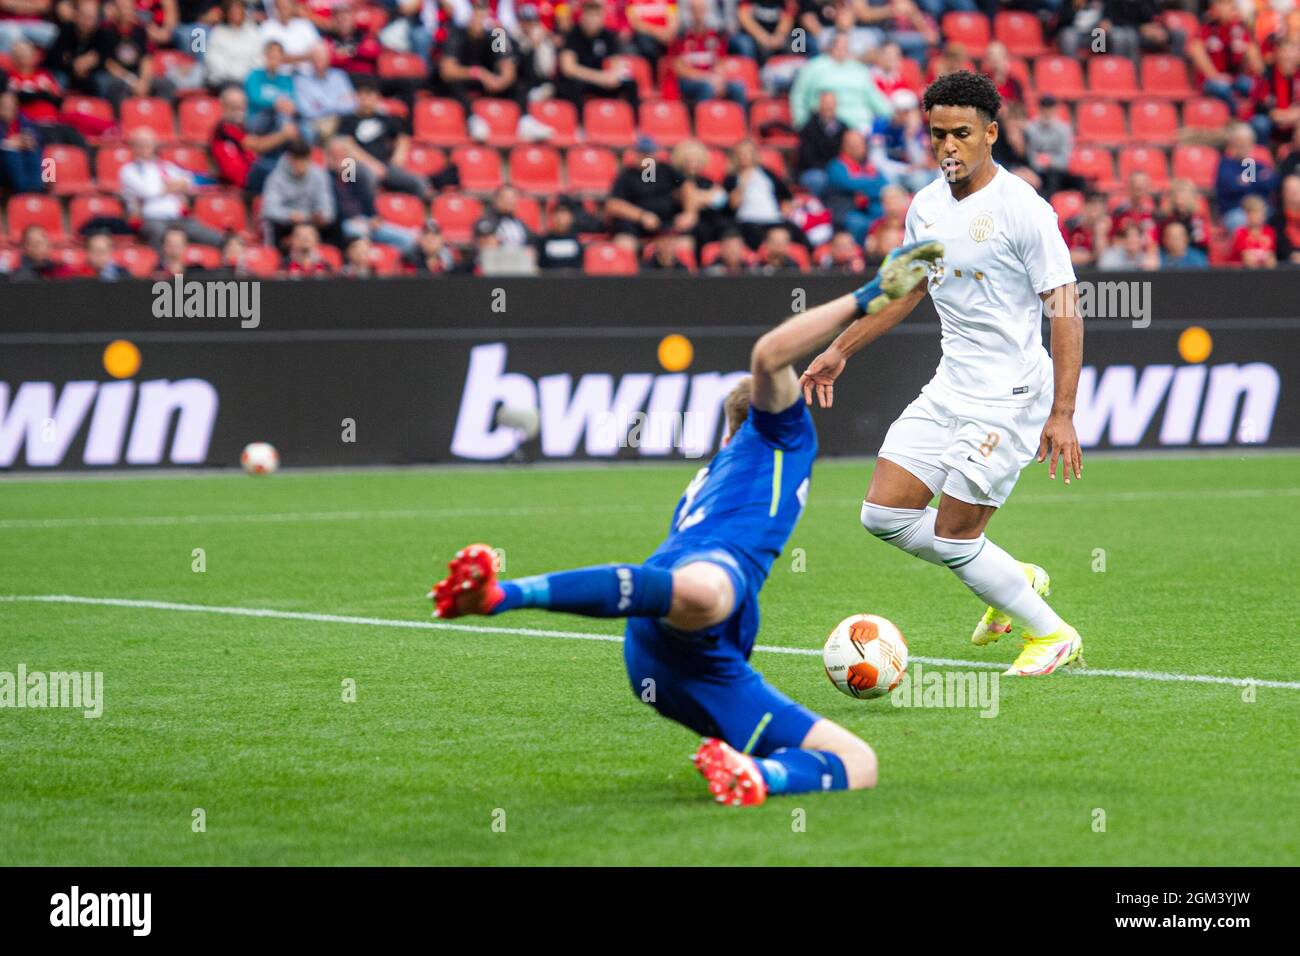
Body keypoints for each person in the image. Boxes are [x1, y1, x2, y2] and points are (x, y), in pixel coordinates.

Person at [430, 259, 953, 805]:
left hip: (686, 664)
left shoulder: (707, 477)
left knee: (857, 762)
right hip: (697, 606)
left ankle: (755, 776)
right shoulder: (778, 435)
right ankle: (500, 594)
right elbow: (770, 355)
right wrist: (868, 295)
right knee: (710, 589)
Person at [799, 70, 1086, 677]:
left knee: (956, 539)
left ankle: (1052, 633)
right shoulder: (926, 205)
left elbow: (1064, 307)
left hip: (1008, 397)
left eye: (961, 134)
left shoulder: (1023, 209)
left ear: (990, 133)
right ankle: (1011, 577)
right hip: (949, 387)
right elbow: (905, 291)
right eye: (937, 135)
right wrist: (840, 349)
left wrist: (1062, 413)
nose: (948, 146)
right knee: (882, 515)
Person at [119, 127, 225, 247]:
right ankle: (161, 265)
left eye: (149, 143)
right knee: (160, 235)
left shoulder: (166, 166)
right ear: (133, 147)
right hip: (150, 218)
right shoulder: (129, 170)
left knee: (214, 237)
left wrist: (168, 187)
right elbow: (147, 191)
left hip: (177, 218)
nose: (146, 147)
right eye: (141, 144)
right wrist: (172, 186)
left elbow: (189, 181)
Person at [261, 137, 336, 244]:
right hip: (287, 224)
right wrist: (289, 215)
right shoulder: (276, 177)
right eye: (297, 160)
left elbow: (327, 206)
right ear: (289, 159)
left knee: (336, 225)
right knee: (273, 224)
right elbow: (269, 209)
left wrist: (323, 215)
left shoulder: (320, 175)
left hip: (312, 222)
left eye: (304, 160)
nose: (301, 165)